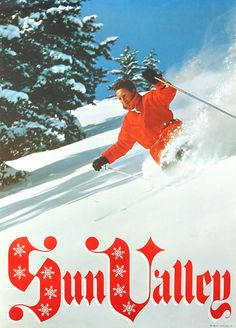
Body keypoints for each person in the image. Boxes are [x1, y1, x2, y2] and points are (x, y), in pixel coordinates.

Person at [92, 68, 182, 171]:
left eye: (124, 95)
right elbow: (122, 145)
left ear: (133, 91)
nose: (123, 100)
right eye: (120, 98)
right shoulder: (129, 122)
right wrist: (104, 158)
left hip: (174, 134)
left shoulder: (150, 99)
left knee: (181, 151)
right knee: (176, 169)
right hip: (160, 152)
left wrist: (157, 82)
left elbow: (168, 92)